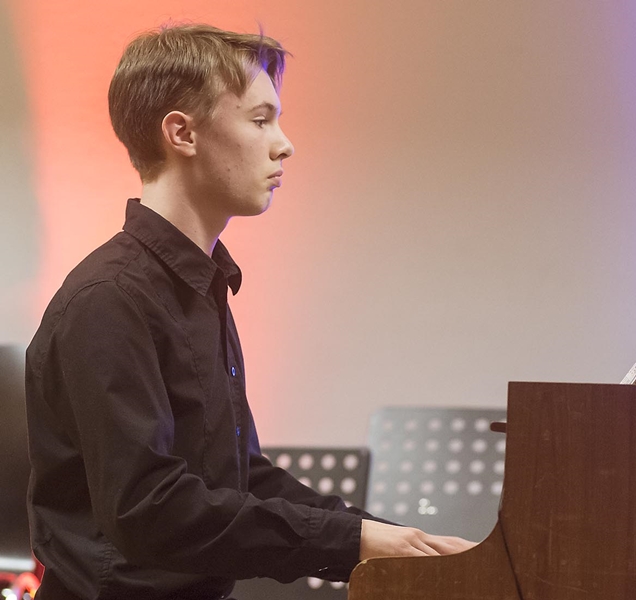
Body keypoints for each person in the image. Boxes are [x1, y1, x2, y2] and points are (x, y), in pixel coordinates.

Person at [25, 23, 475, 600]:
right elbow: (148, 508)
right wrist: (355, 543)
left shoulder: (200, 285)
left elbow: (240, 477)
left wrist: (394, 541)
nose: (284, 145)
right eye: (261, 120)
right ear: (182, 133)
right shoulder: (109, 300)